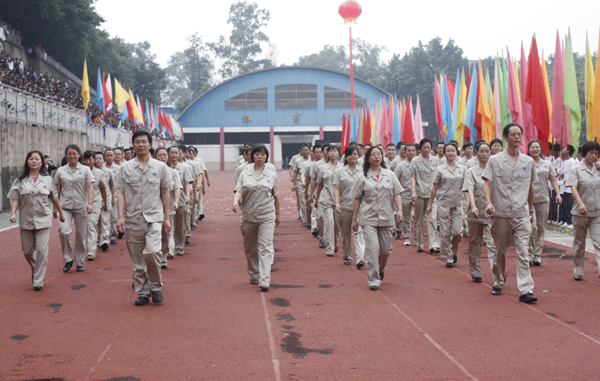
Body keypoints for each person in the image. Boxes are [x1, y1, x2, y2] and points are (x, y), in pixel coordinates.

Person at [117, 130, 173, 306]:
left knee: (153, 251)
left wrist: (166, 217)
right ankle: (142, 292)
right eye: (137, 142)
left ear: (150, 145)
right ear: (133, 145)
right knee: (137, 258)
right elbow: (120, 192)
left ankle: (156, 287)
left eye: (144, 142)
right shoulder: (124, 168)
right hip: (133, 218)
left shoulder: (160, 167)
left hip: (154, 217)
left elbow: (165, 192)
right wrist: (120, 217)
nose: (140, 145)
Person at [483, 123, 537, 303]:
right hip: (501, 213)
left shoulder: (528, 161)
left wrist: (530, 210)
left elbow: (530, 187)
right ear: (505, 137)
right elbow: (487, 183)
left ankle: (526, 289)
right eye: (513, 134)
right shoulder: (495, 160)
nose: (517, 137)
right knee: (501, 251)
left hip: (522, 214)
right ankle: (498, 281)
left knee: (523, 251)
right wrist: (489, 202)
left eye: (519, 134)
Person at [9, 151, 65, 291]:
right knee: (27, 251)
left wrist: (60, 213)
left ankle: (38, 280)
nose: (34, 161)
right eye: (31, 159)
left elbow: (54, 198)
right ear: (27, 161)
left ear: (42, 162)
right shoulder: (20, 180)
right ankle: (36, 269)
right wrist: (12, 213)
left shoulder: (48, 180)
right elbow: (15, 198)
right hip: (26, 219)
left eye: (37, 159)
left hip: (43, 219)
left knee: (42, 250)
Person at [352, 146, 403, 290]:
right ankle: (373, 278)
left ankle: (380, 270)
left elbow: (396, 194)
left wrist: (399, 210)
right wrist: (355, 220)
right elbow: (357, 199)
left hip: (386, 218)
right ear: (368, 158)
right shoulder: (362, 177)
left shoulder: (390, 175)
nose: (376, 157)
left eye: (379, 154)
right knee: (373, 249)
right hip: (368, 218)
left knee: (385, 250)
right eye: (373, 154)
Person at [233, 144, 281, 292]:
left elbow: (276, 197)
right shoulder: (244, 173)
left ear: (266, 157)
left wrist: (278, 215)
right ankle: (254, 274)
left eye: (263, 154)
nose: (260, 157)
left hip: (266, 215)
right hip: (248, 215)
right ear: (252, 156)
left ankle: (265, 279)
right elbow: (239, 190)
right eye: (257, 154)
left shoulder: (272, 175)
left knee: (265, 247)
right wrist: (235, 201)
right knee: (251, 248)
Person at [54, 144, 94, 273]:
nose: (72, 156)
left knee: (81, 235)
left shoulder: (85, 170)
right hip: (64, 206)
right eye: (69, 154)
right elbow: (57, 190)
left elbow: (89, 187)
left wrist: (89, 203)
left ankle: (79, 261)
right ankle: (68, 259)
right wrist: (55, 208)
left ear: (79, 154)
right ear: (66, 155)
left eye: (74, 153)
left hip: (81, 205)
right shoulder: (60, 171)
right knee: (64, 231)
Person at [566, 141, 600, 281]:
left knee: (598, 242)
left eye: (597, 154)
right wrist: (580, 203)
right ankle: (578, 269)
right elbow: (573, 188)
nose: (594, 156)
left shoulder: (598, 169)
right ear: (584, 153)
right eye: (591, 153)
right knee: (579, 242)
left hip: (597, 211)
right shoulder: (576, 169)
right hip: (581, 213)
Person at [428, 144, 465, 267]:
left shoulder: (462, 168)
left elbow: (466, 188)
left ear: (457, 153)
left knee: (457, 232)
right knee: (445, 233)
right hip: (444, 203)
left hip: (458, 203)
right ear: (444, 153)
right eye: (448, 151)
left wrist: (469, 202)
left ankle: (452, 252)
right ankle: (448, 257)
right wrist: (430, 204)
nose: (450, 153)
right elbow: (435, 187)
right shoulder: (440, 169)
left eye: (453, 151)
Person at [463, 142, 495, 282]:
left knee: (493, 243)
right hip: (475, 213)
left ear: (490, 153)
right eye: (481, 151)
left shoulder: (495, 170)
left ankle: (497, 272)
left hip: (492, 213)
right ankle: (475, 272)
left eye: (486, 151)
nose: (484, 154)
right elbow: (470, 188)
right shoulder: (470, 172)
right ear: (476, 153)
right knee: (475, 243)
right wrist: (473, 206)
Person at [528, 140, 561, 266]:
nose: (535, 149)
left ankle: (537, 255)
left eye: (537, 147)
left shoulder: (547, 163)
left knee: (541, 228)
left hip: (543, 199)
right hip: (529, 201)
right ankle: (529, 253)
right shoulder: (525, 163)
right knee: (532, 227)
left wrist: (557, 194)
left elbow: (553, 180)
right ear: (529, 149)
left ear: (541, 149)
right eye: (532, 147)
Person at [335, 146, 365, 266]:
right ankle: (347, 256)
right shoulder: (340, 172)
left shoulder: (363, 170)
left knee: (359, 232)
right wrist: (337, 203)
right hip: (345, 205)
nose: (354, 156)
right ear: (346, 157)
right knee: (346, 232)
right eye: (351, 154)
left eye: (356, 154)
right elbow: (337, 188)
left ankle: (360, 258)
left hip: (361, 206)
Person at [410, 138, 441, 253]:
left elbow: (438, 177)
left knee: (432, 219)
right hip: (419, 193)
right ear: (420, 148)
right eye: (424, 148)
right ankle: (420, 243)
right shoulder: (415, 161)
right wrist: (413, 192)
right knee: (419, 220)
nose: (426, 150)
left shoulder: (435, 160)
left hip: (432, 194)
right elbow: (413, 177)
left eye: (428, 148)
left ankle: (434, 245)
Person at [156, 147, 181, 270]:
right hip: (153, 207)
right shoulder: (151, 171)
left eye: (164, 155)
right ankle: (156, 257)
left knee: (166, 233)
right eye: (159, 155)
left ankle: (164, 256)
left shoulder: (173, 172)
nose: (162, 157)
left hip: (168, 206)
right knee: (154, 234)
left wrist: (176, 201)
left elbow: (177, 188)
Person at [316, 145, 343, 258]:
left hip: (339, 199)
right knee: (329, 223)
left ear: (338, 153)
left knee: (337, 225)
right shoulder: (323, 168)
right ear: (327, 153)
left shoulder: (343, 167)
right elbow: (320, 184)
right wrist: (316, 199)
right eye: (330, 151)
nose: (332, 153)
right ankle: (329, 247)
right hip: (326, 198)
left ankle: (335, 243)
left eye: (335, 151)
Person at [83, 150, 108, 261]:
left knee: (91, 225)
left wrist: (105, 203)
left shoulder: (99, 173)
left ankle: (91, 251)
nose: (88, 162)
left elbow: (103, 189)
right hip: (81, 204)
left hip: (95, 204)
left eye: (90, 159)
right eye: (86, 159)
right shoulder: (80, 172)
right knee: (85, 228)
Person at [169, 146, 192, 257]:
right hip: (167, 201)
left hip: (181, 200)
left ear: (179, 154)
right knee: (168, 226)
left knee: (179, 226)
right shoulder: (163, 168)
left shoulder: (184, 168)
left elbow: (187, 183)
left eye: (176, 153)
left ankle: (179, 247)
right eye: (171, 153)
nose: (174, 155)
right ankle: (169, 248)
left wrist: (187, 196)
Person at [395, 144, 416, 245]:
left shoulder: (419, 164)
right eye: (409, 150)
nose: (411, 152)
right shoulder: (401, 166)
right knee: (406, 217)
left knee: (418, 217)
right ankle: (407, 237)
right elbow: (395, 180)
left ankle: (417, 236)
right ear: (405, 152)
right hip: (405, 195)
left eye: (413, 150)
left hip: (418, 194)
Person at [95, 152, 114, 251]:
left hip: (107, 198)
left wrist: (113, 198)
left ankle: (105, 240)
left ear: (103, 160)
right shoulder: (91, 172)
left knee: (105, 220)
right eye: (96, 158)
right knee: (97, 221)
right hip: (96, 199)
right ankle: (98, 241)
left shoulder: (108, 171)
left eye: (100, 158)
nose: (98, 160)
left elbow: (112, 185)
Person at [103, 149, 121, 244]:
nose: (109, 157)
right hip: (102, 196)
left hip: (115, 195)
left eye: (111, 155)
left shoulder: (118, 169)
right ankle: (104, 237)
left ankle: (113, 234)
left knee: (114, 217)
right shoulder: (100, 168)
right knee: (104, 218)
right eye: (107, 155)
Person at [292, 143, 311, 227]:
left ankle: (310, 218)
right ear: (301, 151)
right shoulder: (298, 161)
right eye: (304, 150)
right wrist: (294, 184)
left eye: (307, 150)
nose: (305, 152)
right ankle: (304, 219)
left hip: (310, 182)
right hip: (300, 183)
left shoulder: (312, 160)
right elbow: (295, 173)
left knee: (309, 202)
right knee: (303, 201)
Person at [557, 145, 576, 228]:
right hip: (564, 186)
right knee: (565, 204)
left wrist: (567, 179)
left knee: (570, 204)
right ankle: (566, 220)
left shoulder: (572, 161)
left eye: (564, 148)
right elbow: (565, 172)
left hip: (569, 187)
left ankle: (571, 221)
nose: (563, 150)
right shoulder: (567, 161)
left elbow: (572, 172)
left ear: (568, 151)